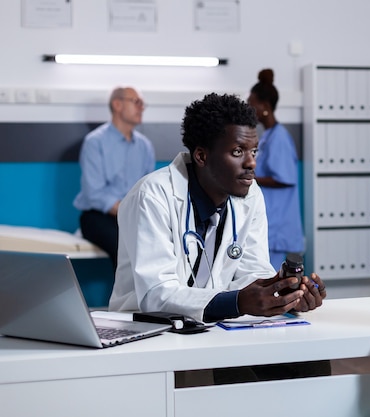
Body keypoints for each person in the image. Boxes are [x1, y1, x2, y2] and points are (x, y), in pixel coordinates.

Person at [109, 93, 326, 324]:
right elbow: (156, 294)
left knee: (299, 355)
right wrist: (236, 302)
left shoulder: (250, 194)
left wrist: (283, 293)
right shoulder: (152, 195)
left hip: (214, 325)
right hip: (148, 329)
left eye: (253, 151)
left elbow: (252, 272)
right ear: (201, 156)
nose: (251, 163)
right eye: (237, 152)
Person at [73, 86, 155, 269]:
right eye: (136, 102)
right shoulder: (95, 142)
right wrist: (129, 212)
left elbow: (149, 189)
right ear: (117, 104)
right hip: (99, 217)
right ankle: (127, 298)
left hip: (134, 216)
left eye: (143, 104)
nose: (142, 107)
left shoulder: (145, 146)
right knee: (126, 250)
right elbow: (94, 193)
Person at [247, 68, 305, 270]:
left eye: (250, 104)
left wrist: (251, 178)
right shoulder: (267, 136)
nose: (248, 108)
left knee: (275, 281)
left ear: (264, 106)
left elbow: (285, 178)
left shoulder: (279, 138)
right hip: (271, 224)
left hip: (279, 229)